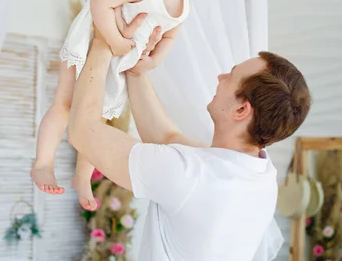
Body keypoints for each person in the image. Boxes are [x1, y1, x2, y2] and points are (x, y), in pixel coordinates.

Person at [67, 15, 312, 260]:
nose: (221, 78)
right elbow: (166, 137)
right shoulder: (258, 174)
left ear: (241, 110)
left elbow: (82, 130)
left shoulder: (191, 176)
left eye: (231, 76)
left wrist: (103, 39)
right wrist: (137, 70)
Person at [30, 0, 212, 210]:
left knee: (96, 121)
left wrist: (150, 62)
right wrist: (113, 40)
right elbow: (101, 1)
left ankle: (82, 177)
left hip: (119, 58)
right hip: (93, 40)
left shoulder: (184, 3)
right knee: (64, 104)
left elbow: (169, 37)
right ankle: (42, 162)